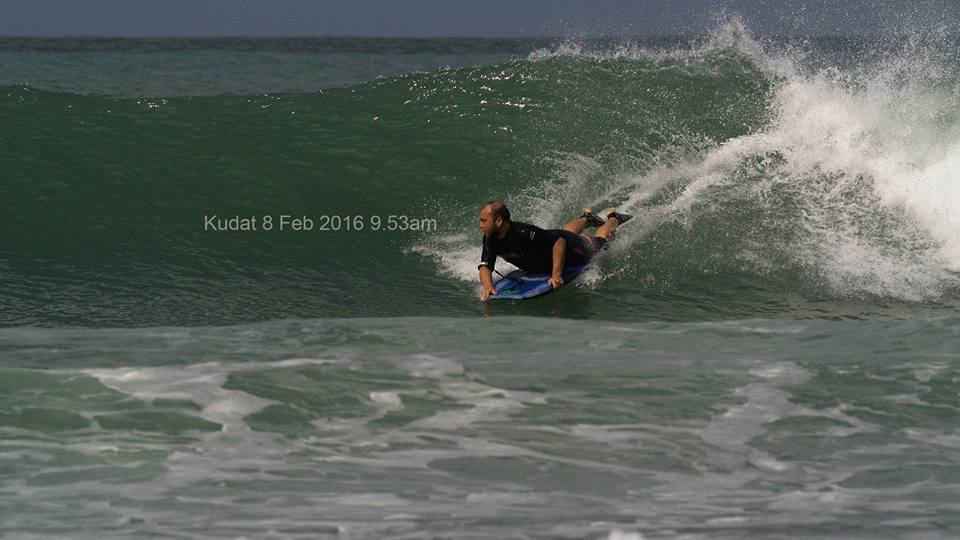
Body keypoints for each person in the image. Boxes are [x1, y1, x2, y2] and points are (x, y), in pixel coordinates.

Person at [478, 200, 632, 300]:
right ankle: (587, 218)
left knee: (600, 242)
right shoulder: (490, 237)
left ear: (498, 221)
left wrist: (556, 275)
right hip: (556, 238)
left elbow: (559, 244)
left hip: (571, 250)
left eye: (484, 220)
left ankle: (613, 218)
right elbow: (485, 266)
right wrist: (488, 287)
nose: (481, 225)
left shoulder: (523, 232)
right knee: (566, 232)